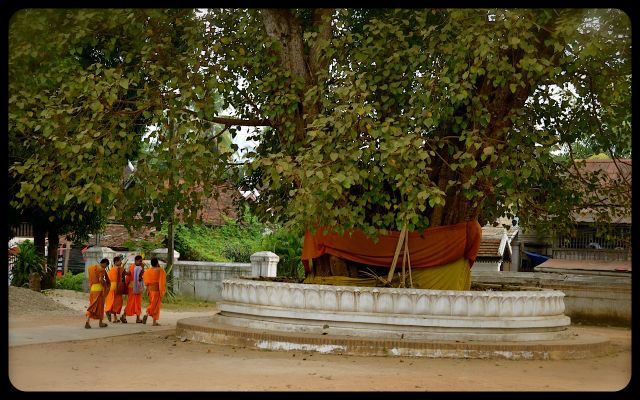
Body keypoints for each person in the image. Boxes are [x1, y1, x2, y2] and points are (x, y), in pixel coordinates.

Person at [85, 258, 110, 329]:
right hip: (99, 290)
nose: (105, 267)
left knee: (92, 305)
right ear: (104, 263)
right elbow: (100, 279)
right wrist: (105, 284)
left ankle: (89, 321)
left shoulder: (91, 268)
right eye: (106, 265)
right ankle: (100, 322)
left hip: (92, 290)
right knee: (99, 307)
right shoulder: (101, 269)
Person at [142, 257, 167, 326]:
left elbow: (145, 281)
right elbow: (162, 282)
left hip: (150, 290)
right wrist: (162, 291)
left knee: (152, 304)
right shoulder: (160, 270)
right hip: (157, 291)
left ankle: (154, 322)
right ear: (157, 263)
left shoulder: (148, 271)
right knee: (155, 306)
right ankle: (147, 314)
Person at [121, 255, 145, 323]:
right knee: (131, 302)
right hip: (132, 287)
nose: (141, 262)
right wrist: (124, 272)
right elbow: (129, 274)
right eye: (140, 261)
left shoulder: (140, 267)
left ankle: (138, 318)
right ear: (136, 261)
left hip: (138, 287)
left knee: (138, 303)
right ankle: (124, 315)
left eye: (141, 261)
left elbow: (141, 276)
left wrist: (142, 268)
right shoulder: (132, 266)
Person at [104, 256, 127, 323]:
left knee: (113, 302)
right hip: (117, 287)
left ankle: (115, 318)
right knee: (118, 302)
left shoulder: (111, 270)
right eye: (120, 261)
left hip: (111, 287)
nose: (121, 262)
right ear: (116, 262)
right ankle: (109, 312)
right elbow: (125, 276)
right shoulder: (119, 269)